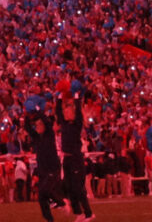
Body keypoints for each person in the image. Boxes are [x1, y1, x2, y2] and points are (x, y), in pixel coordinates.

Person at [23, 97, 64, 222]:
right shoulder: (36, 137)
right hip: (43, 170)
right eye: (37, 125)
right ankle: (49, 219)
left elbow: (46, 120)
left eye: (40, 124)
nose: (38, 126)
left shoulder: (49, 134)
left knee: (45, 191)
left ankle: (61, 202)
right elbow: (27, 127)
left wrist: (37, 110)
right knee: (41, 196)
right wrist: (26, 113)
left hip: (52, 168)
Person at [56, 93, 92, 222]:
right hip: (67, 159)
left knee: (78, 187)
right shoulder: (64, 124)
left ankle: (89, 214)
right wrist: (59, 98)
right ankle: (79, 213)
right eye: (65, 111)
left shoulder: (76, 124)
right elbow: (58, 112)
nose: (66, 114)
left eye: (68, 111)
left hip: (76, 159)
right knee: (70, 187)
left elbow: (79, 116)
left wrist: (76, 98)